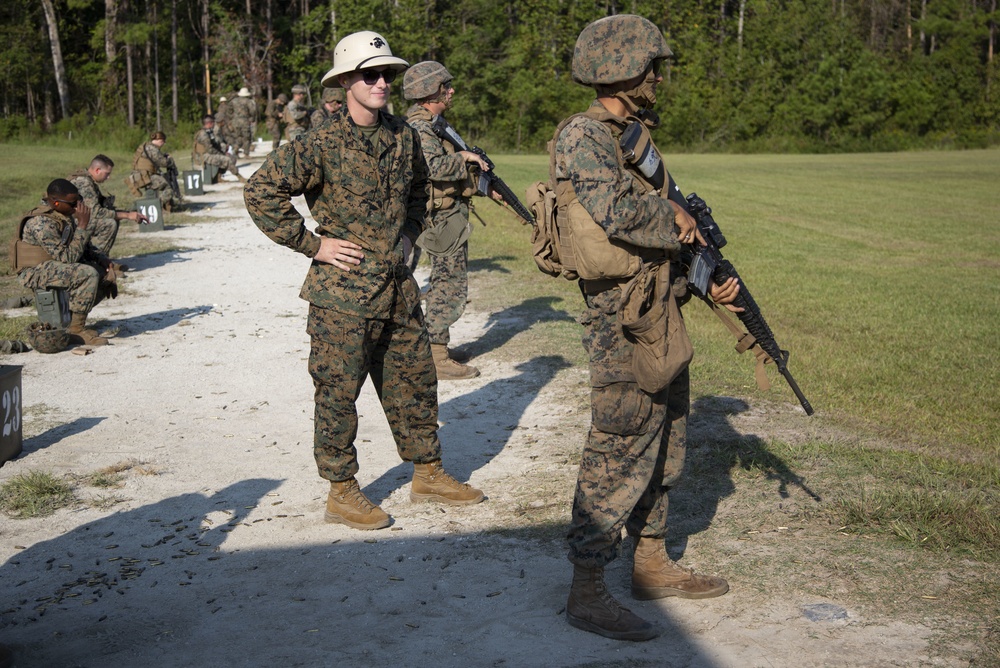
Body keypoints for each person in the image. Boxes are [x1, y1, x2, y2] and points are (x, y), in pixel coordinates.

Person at [244, 30, 484, 530]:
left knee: (415, 381)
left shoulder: (403, 135)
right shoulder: (320, 143)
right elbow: (261, 191)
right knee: (337, 393)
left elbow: (421, 188)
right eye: (369, 74)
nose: (380, 82)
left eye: (386, 75)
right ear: (346, 81)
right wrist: (314, 245)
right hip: (344, 295)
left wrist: (412, 233)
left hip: (397, 288)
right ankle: (341, 490)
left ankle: (428, 472)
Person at [555, 15, 740, 641]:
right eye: (649, 65)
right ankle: (587, 587)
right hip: (620, 317)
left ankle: (651, 560)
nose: (658, 75)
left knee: (668, 438)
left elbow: (667, 222)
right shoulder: (584, 134)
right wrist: (672, 216)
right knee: (620, 443)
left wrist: (707, 275)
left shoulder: (631, 134)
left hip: (659, 304)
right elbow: (612, 211)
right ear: (620, 70)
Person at [402, 61, 499, 380]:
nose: (451, 90)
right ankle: (436, 354)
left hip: (446, 213)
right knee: (449, 284)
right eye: (446, 87)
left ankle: (434, 345)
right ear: (430, 92)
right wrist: (462, 159)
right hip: (439, 218)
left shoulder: (433, 123)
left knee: (447, 281)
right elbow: (432, 167)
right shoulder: (421, 126)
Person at [14, 179, 120, 347]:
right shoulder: (41, 223)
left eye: (79, 201)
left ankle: (71, 325)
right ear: (56, 202)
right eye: (73, 203)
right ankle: (76, 331)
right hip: (34, 271)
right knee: (87, 274)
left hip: (53, 263)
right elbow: (67, 257)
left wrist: (101, 258)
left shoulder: (63, 214)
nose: (78, 207)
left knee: (102, 273)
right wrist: (83, 225)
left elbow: (80, 246)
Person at [70, 154, 146, 256]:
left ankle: (99, 258)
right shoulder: (84, 183)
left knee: (114, 218)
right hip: (70, 224)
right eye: (107, 174)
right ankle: (99, 260)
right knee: (109, 224)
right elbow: (96, 212)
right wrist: (127, 215)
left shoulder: (88, 180)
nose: (108, 177)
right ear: (97, 170)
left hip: (76, 220)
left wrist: (127, 213)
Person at [126, 131, 182, 211]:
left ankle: (168, 205)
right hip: (145, 177)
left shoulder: (146, 145)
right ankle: (156, 206)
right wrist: (170, 159)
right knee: (169, 187)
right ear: (160, 141)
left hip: (140, 175)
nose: (163, 145)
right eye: (163, 142)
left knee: (163, 180)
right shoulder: (152, 149)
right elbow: (163, 163)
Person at [193, 115, 246, 183]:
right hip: (204, 156)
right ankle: (239, 177)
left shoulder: (208, 132)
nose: (214, 124)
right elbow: (210, 149)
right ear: (209, 123)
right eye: (213, 123)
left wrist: (223, 150)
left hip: (209, 153)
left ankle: (218, 177)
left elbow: (215, 144)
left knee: (232, 158)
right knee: (227, 160)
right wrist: (222, 154)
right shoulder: (203, 134)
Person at [229, 87, 258, 157]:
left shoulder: (233, 101)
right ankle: (246, 153)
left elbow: (229, 110)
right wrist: (252, 118)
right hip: (245, 121)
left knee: (237, 137)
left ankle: (235, 150)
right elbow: (253, 111)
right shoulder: (248, 101)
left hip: (235, 121)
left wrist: (232, 117)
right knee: (246, 137)